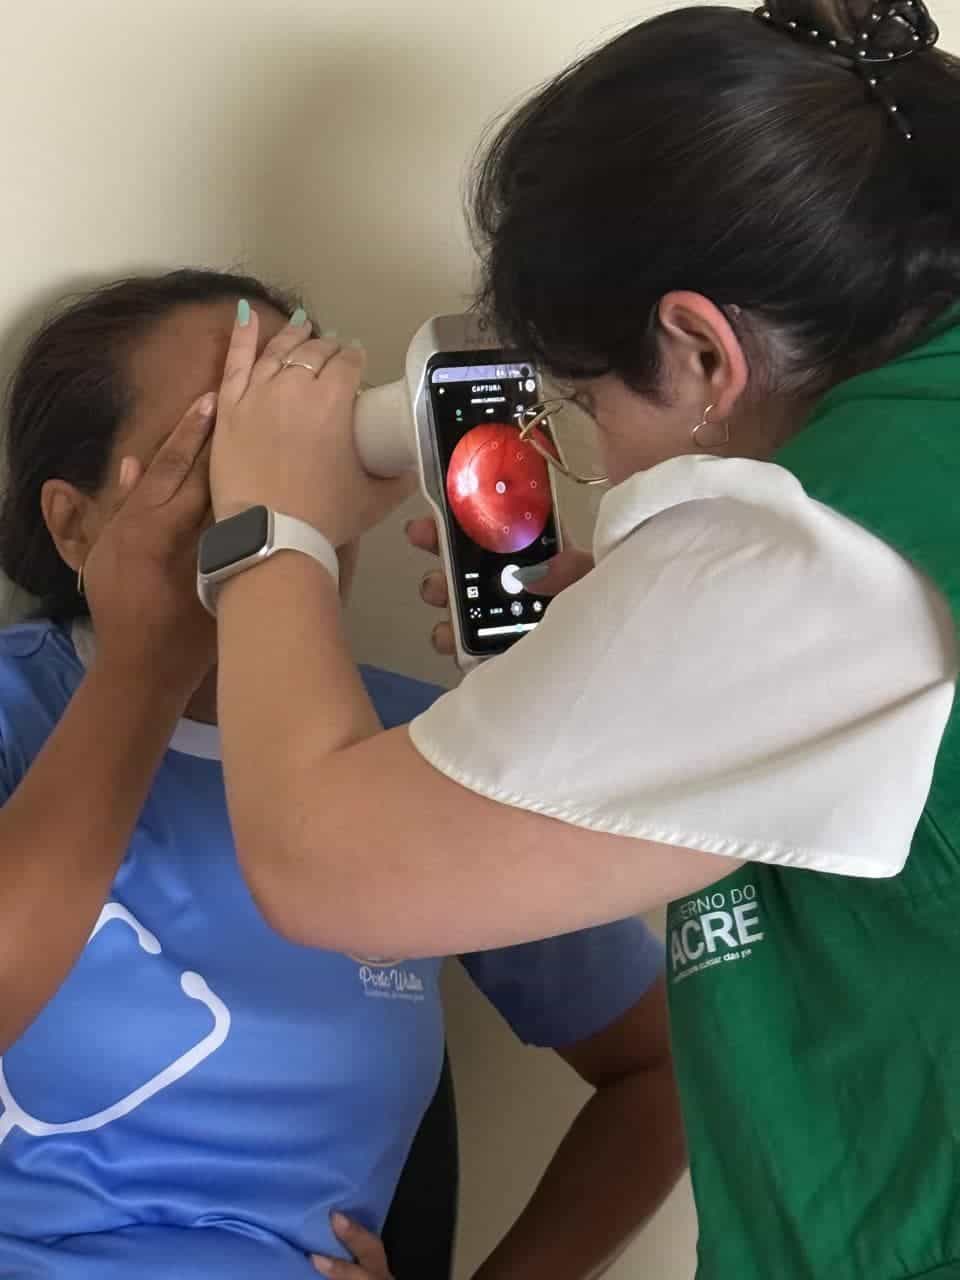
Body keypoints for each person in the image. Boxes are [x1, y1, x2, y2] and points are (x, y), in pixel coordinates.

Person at [202, 1, 960, 1277]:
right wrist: (659, 642)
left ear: (702, 351)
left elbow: (324, 871)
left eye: (587, 401)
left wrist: (267, 525)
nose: (592, 455)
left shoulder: (821, 546)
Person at [0, 270, 685, 1278]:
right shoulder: (17, 709)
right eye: (224, 447)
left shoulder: (427, 749)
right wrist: (147, 662)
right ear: (73, 522)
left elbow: (659, 1068)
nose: (279, 487)